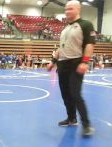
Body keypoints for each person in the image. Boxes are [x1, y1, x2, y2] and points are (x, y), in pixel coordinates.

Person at [47, 0, 95, 136]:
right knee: (66, 95)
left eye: (70, 9)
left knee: (75, 94)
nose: (67, 11)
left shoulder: (85, 25)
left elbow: (90, 44)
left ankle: (86, 125)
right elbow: (61, 48)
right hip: (62, 65)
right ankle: (71, 118)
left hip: (76, 64)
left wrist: (85, 62)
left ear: (78, 10)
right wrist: (53, 61)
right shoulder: (65, 29)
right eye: (66, 9)